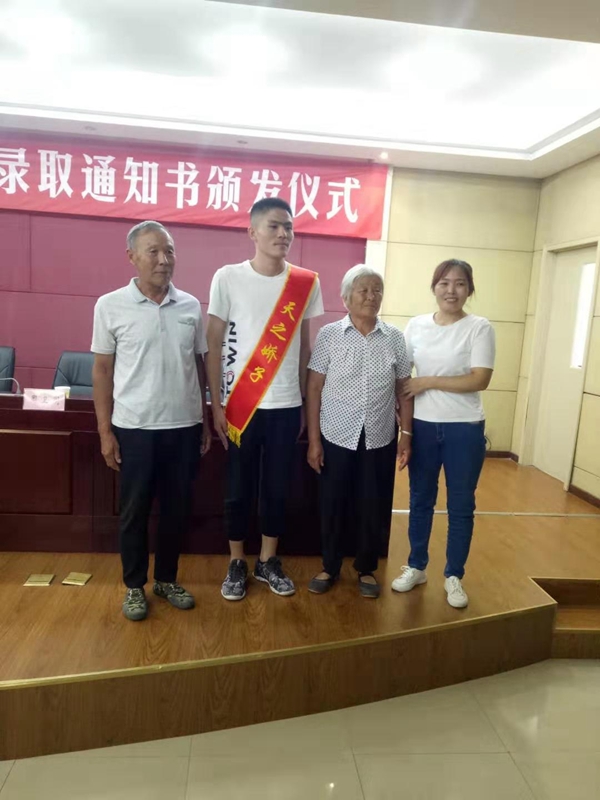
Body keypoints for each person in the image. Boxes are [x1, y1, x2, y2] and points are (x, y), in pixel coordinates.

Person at [91, 220, 211, 621]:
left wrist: (204, 419)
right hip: (135, 429)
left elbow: (198, 365)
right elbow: (102, 371)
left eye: (169, 251)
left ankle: (166, 579)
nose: (164, 259)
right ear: (132, 257)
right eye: (153, 251)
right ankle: (133, 586)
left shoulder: (190, 305)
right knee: (135, 512)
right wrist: (105, 431)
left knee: (177, 511)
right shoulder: (110, 305)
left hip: (183, 428)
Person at [206, 197, 324, 601]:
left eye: (288, 227)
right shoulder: (228, 277)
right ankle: (237, 561)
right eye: (274, 226)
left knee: (277, 487)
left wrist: (305, 404)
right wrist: (216, 405)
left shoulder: (305, 282)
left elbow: (305, 348)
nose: (283, 234)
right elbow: (214, 343)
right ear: (252, 232)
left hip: (286, 405)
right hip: (241, 406)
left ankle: (268, 560)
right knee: (237, 488)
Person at [391, 259, 495, 608]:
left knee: (461, 505)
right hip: (423, 427)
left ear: (469, 289)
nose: (451, 290)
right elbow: (403, 378)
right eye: (444, 283)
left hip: (465, 429)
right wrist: (405, 430)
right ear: (434, 287)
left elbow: (479, 379)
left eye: (460, 283)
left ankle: (454, 576)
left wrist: (428, 381)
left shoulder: (479, 327)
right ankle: (416, 566)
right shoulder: (416, 326)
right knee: (420, 499)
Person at [305, 264, 413, 598]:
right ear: (346, 297)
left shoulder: (394, 337)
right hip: (336, 433)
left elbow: (404, 389)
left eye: (377, 290)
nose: (371, 296)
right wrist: (313, 441)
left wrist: (406, 435)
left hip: (379, 435)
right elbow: (314, 388)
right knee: (333, 502)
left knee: (373, 505)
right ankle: (330, 565)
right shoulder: (329, 335)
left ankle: (366, 568)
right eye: (363, 290)